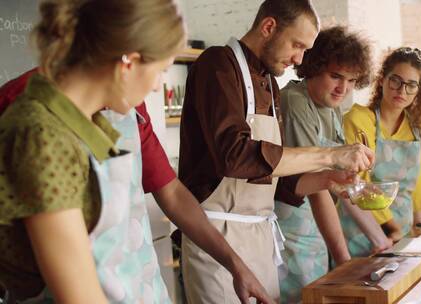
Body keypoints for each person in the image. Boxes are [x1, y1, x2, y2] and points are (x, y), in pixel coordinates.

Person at [0, 0, 271, 303]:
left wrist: (234, 264)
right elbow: (79, 295)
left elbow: (168, 192)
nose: (157, 87)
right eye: (160, 71)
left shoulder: (94, 120)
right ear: (128, 62)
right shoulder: (41, 135)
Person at [178, 0, 375, 302]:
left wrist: (328, 180)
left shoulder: (271, 84)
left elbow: (275, 180)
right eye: (297, 45)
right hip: (215, 242)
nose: (299, 59)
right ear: (268, 27)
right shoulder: (217, 64)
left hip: (261, 243)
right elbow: (236, 156)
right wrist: (329, 155)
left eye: (305, 51)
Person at [274, 26, 392, 303]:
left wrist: (381, 240)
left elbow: (344, 183)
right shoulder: (296, 102)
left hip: (315, 230)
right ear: (312, 66)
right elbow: (316, 184)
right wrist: (344, 260)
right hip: (290, 231)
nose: (343, 88)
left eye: (351, 80)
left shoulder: (331, 107)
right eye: (335, 76)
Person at [341, 47, 421, 251]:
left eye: (411, 85)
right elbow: (360, 187)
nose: (402, 91)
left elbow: (419, 191)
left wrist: (420, 232)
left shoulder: (419, 129)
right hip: (363, 234)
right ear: (383, 79)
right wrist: (392, 230)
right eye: (396, 80)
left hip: (402, 237)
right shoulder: (358, 119)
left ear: (419, 90)